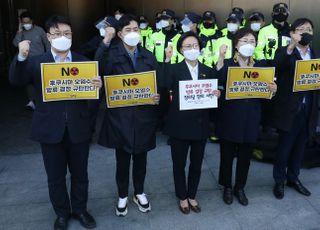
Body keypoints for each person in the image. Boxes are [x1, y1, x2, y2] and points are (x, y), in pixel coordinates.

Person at [9, 15, 101, 230]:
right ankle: (61, 213)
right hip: (50, 129)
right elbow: (16, 80)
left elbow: (93, 98)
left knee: (80, 174)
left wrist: (97, 87)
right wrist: (21, 56)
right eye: (58, 34)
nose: (63, 37)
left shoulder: (84, 62)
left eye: (67, 33)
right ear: (49, 37)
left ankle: (80, 209)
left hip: (78, 128)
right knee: (55, 176)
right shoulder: (36, 62)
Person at [94, 14, 161, 217]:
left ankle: (139, 192)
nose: (133, 34)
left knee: (141, 158)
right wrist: (105, 41)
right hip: (120, 117)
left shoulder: (148, 56)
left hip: (143, 116)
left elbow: (156, 81)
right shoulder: (110, 54)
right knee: (122, 159)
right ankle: (122, 194)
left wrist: (157, 96)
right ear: (120, 34)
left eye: (136, 30)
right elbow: (95, 68)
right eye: (128, 30)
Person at [215, 28, 277, 206]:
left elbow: (268, 94)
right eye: (244, 41)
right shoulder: (226, 64)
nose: (248, 45)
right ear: (236, 45)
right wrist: (220, 58)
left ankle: (240, 187)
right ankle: (226, 186)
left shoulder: (262, 66)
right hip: (230, 117)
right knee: (226, 156)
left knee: (245, 157)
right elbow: (217, 84)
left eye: (251, 41)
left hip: (251, 118)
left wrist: (272, 91)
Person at [163, 31, 220, 214]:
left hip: (200, 125)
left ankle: (192, 194)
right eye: (187, 46)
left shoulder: (207, 70)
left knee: (196, 164)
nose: (192, 49)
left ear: (200, 48)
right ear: (181, 49)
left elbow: (215, 88)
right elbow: (163, 85)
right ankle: (182, 196)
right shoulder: (173, 69)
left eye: (195, 46)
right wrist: (166, 60)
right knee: (179, 164)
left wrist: (217, 93)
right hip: (179, 125)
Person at [271, 18, 319, 199]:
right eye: (300, 29)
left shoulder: (315, 54)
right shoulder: (287, 52)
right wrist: (291, 46)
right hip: (289, 109)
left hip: (308, 109)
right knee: (284, 148)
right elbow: (276, 66)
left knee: (300, 148)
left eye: (309, 29)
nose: (305, 32)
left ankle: (294, 177)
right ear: (292, 33)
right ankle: (279, 180)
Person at [12, 10, 51, 110]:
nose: (27, 24)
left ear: (32, 21)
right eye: (24, 22)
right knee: (29, 82)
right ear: (21, 22)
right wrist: (19, 31)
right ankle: (32, 101)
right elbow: (15, 44)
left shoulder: (39, 30)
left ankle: (43, 101)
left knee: (42, 81)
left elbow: (47, 43)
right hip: (28, 61)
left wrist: (49, 56)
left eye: (28, 22)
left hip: (41, 59)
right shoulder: (21, 32)